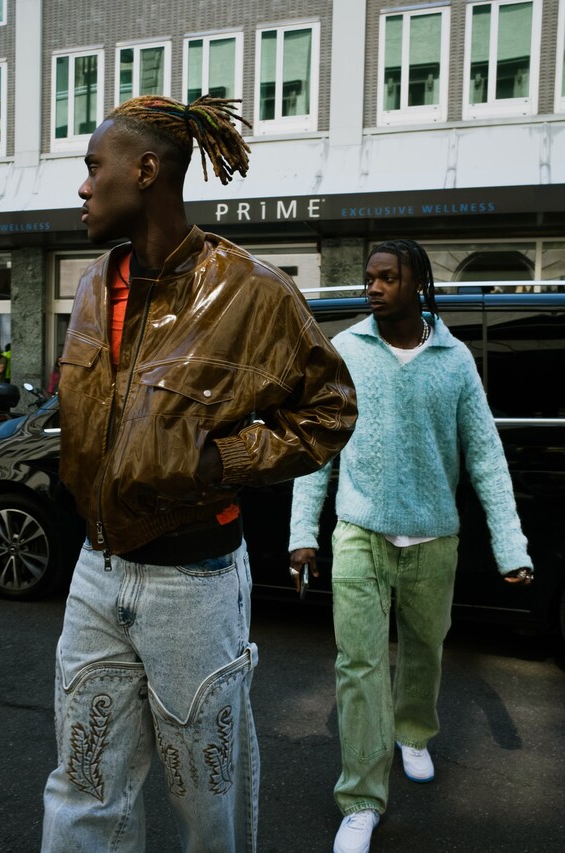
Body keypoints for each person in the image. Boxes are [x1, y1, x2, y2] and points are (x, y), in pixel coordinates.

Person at [41, 94, 357, 853]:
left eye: (94, 167)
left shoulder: (252, 291)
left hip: (194, 583)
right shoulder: (92, 284)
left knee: (204, 799)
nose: (84, 187)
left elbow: (329, 410)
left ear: (146, 170)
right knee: (82, 785)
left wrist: (227, 458)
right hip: (95, 571)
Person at [288, 239, 533, 853]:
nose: (373, 287)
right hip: (359, 535)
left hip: (434, 538)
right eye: (370, 277)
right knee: (360, 665)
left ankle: (414, 732)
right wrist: (301, 533)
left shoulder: (454, 361)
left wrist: (511, 546)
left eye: (387, 277)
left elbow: (485, 457)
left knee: (424, 649)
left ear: (418, 283)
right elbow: (317, 449)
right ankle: (362, 800)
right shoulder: (344, 351)